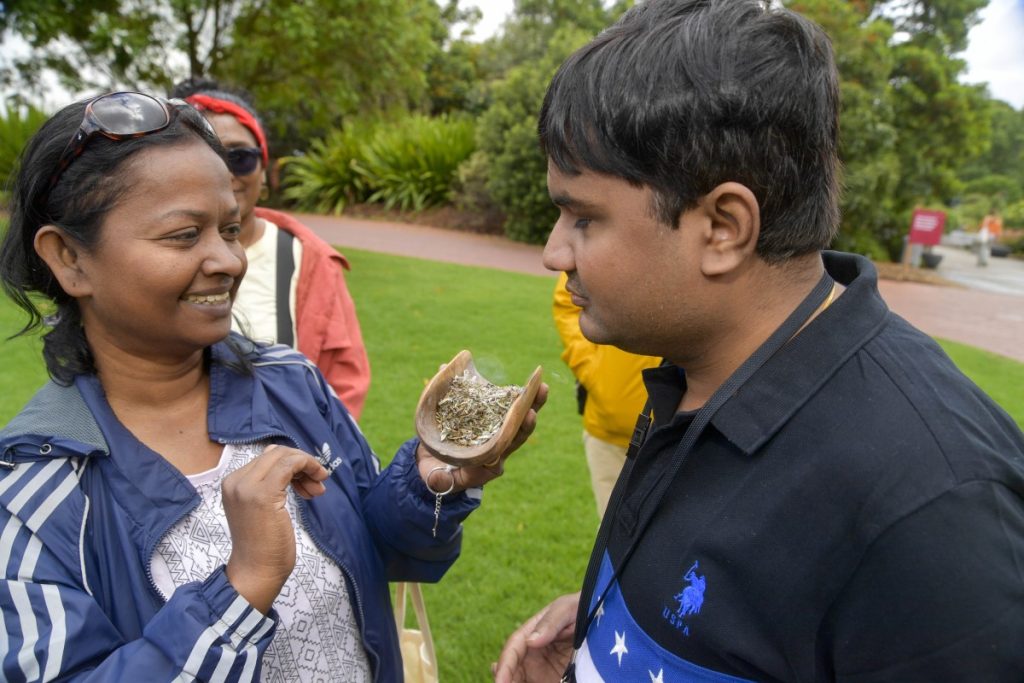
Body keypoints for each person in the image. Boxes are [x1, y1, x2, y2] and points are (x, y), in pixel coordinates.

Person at [494, 1, 1024, 681]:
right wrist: (606, 626)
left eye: (582, 217)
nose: (552, 251)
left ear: (723, 226)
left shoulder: (934, 514)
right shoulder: (694, 367)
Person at [0, 91, 545, 682]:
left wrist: (429, 484)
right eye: (184, 236)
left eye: (230, 229)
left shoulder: (290, 383)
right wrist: (241, 587)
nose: (229, 261)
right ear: (69, 259)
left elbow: (375, 549)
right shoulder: (34, 494)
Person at [169, 79, 372, 420]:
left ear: (264, 168)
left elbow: (342, 385)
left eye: (240, 157)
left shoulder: (310, 261)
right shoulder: (146, 258)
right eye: (205, 154)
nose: (223, 171)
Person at [553, 273, 660, 517]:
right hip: (609, 433)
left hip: (688, 435)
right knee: (613, 537)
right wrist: (593, 368)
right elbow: (568, 297)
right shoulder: (599, 239)